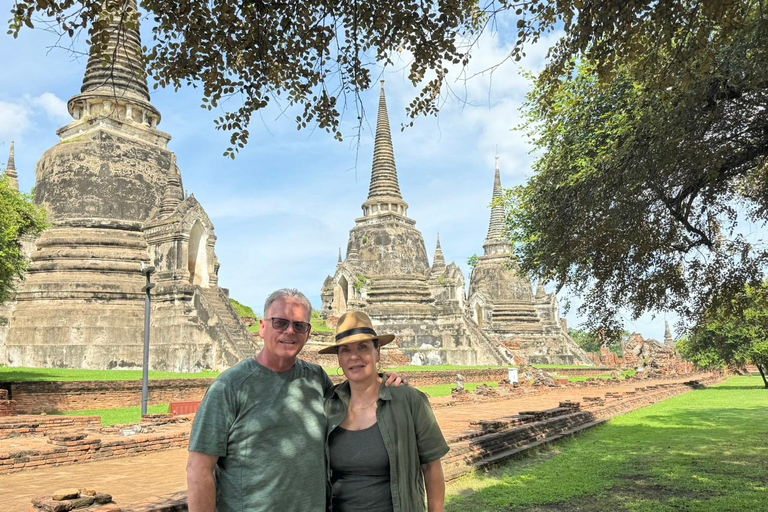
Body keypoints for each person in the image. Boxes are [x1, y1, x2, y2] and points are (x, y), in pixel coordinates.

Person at [187, 288, 403, 512]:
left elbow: (358, 399)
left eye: (299, 326)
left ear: (308, 334)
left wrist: (384, 380)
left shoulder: (316, 378)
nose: (289, 331)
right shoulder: (230, 387)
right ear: (262, 327)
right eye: (280, 323)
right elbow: (199, 470)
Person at [322, 311, 449, 512]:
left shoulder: (408, 399)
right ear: (338, 358)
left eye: (363, 347)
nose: (354, 357)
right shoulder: (329, 405)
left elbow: (431, 466)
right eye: (345, 350)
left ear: (377, 352)